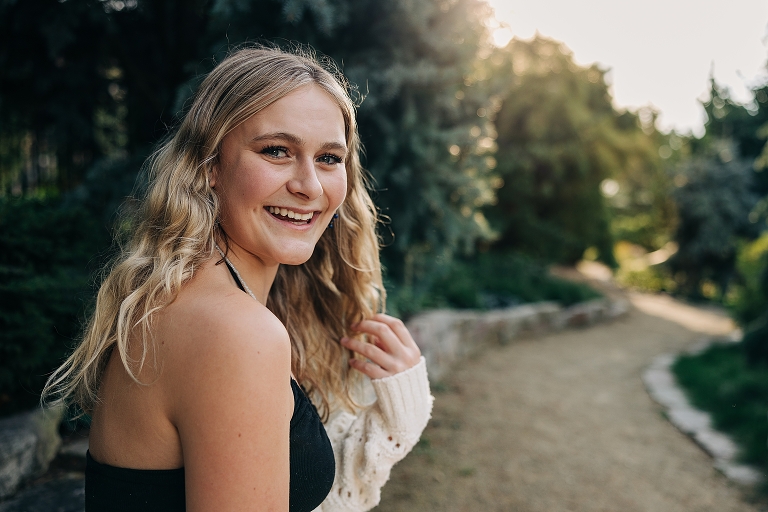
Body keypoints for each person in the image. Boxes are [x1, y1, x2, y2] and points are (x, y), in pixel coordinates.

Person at [43, 46, 433, 511]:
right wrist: (397, 430)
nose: (309, 185)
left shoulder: (196, 301)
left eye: (330, 158)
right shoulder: (235, 331)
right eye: (277, 151)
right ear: (209, 168)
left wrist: (394, 423)